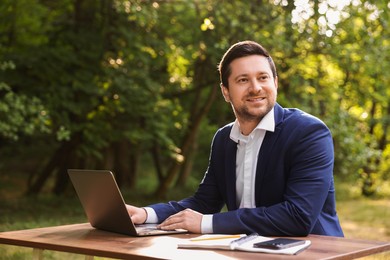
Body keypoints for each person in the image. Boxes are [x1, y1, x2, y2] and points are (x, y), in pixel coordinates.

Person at [127, 40, 344, 237]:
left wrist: (205, 223)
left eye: (263, 77)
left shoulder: (309, 133)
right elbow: (204, 202)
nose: (255, 88)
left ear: (275, 83)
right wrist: (146, 214)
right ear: (226, 92)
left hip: (313, 252)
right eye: (243, 80)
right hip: (248, 251)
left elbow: (298, 217)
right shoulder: (224, 139)